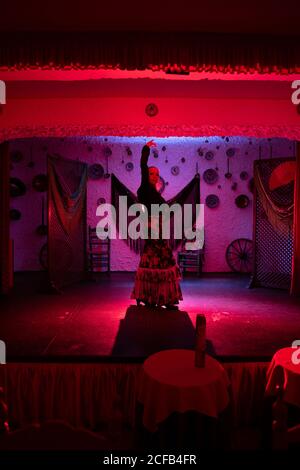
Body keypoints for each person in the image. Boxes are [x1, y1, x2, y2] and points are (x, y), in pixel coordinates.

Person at [131, 140, 183, 309]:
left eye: (156, 174)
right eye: (151, 173)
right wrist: (146, 148)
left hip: (157, 229)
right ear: (146, 175)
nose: (154, 176)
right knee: (160, 260)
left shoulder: (154, 192)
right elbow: (142, 165)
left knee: (156, 261)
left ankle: (155, 297)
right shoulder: (145, 188)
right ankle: (158, 298)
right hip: (152, 228)